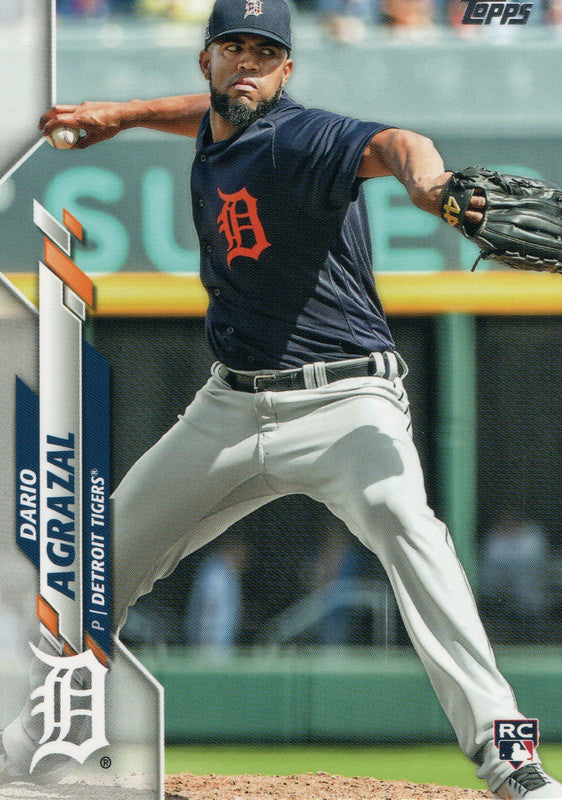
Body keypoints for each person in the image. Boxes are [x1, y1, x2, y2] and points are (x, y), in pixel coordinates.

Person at [1, 0, 560, 797]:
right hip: (228, 409)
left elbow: (394, 144)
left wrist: (431, 183)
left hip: (346, 403)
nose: (249, 64)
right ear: (207, 60)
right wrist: (120, 115)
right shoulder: (218, 123)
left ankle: (510, 755)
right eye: (234, 48)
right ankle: (44, 736)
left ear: (286, 71)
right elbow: (207, 114)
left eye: (265, 54)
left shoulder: (303, 136)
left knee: (416, 538)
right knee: (95, 564)